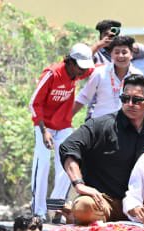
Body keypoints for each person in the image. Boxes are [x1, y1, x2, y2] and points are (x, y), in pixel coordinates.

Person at [62, 74, 144, 224]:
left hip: (141, 206)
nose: (130, 103)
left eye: (137, 100)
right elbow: (68, 147)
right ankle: (75, 214)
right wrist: (80, 185)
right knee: (83, 206)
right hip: (103, 202)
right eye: (125, 99)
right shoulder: (101, 125)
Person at [28, 43, 95, 219]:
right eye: (80, 67)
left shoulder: (78, 73)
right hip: (44, 125)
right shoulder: (52, 74)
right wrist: (43, 131)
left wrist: (101, 44)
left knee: (67, 166)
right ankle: (39, 212)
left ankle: (56, 208)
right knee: (42, 165)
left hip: (64, 125)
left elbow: (94, 67)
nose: (82, 73)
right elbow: (34, 103)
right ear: (70, 62)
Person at [74, 35, 143, 121]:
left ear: (131, 54)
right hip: (100, 124)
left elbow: (142, 103)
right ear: (111, 54)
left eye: (124, 52)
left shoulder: (138, 76)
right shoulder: (99, 73)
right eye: (117, 52)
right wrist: (66, 118)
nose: (120, 56)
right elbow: (84, 97)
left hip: (126, 126)